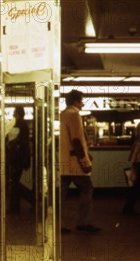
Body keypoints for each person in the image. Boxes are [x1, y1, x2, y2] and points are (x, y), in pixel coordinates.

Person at [59, 90, 101, 234]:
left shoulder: (63, 114)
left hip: (64, 161)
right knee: (87, 188)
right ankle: (84, 222)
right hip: (74, 162)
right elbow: (77, 140)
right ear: (76, 101)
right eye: (81, 100)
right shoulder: (74, 114)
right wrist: (85, 161)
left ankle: (59, 224)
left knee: (60, 194)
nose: (82, 103)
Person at [6, 106, 33, 214]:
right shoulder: (23, 125)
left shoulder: (18, 125)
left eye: (14, 112)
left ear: (17, 113)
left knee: (15, 183)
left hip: (17, 158)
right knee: (15, 182)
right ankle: (15, 206)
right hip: (20, 158)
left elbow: (19, 141)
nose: (13, 114)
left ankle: (29, 199)